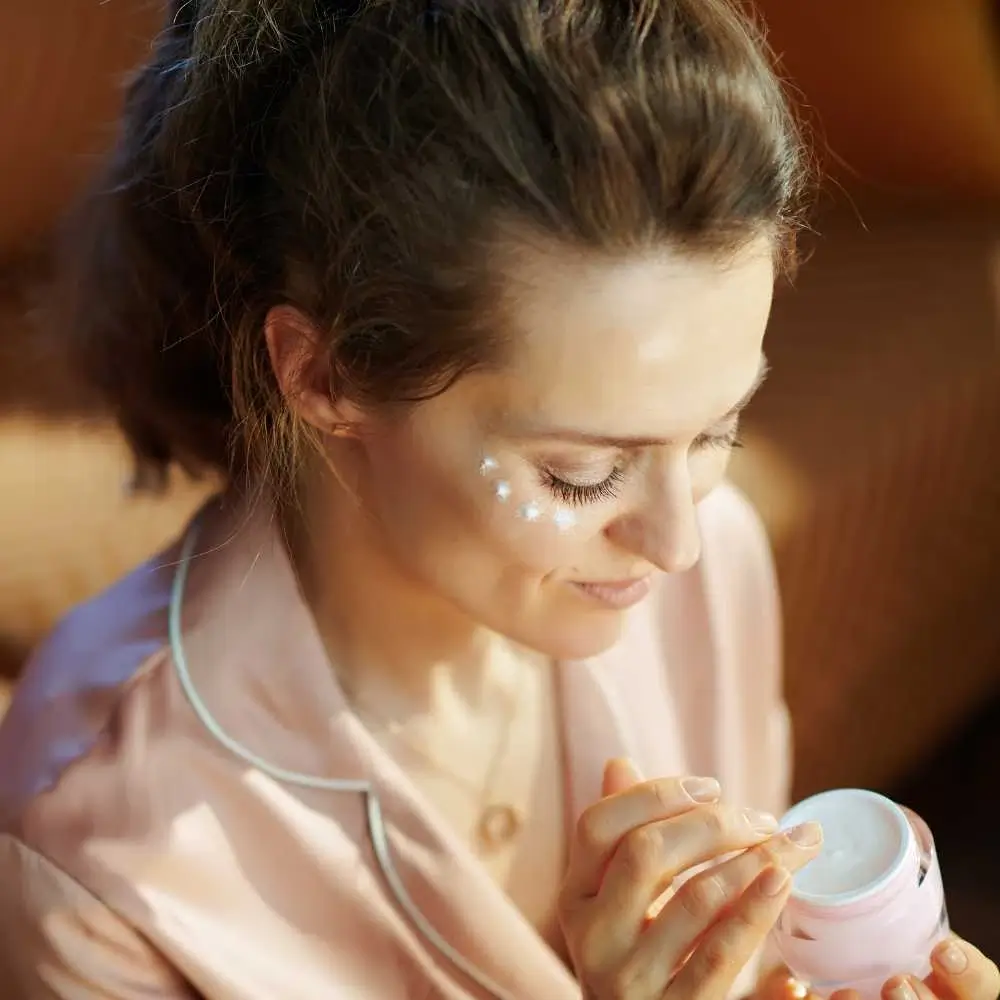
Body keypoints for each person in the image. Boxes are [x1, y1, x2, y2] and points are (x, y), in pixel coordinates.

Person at [0, 0, 995, 998]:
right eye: (579, 472)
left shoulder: (707, 568)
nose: (676, 541)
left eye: (712, 432)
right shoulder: (106, 852)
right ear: (324, 375)